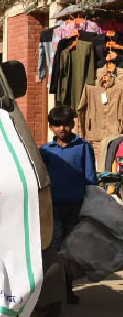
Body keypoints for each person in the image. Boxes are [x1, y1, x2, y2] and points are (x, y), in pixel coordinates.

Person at [39, 105, 96, 304]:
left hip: (75, 205)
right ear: (51, 127)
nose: (61, 128)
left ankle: (68, 288)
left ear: (72, 125)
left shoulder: (83, 147)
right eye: (56, 125)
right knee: (54, 248)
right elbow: (41, 178)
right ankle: (54, 290)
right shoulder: (46, 150)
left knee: (71, 248)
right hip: (52, 206)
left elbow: (90, 177)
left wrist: (90, 204)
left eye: (65, 124)